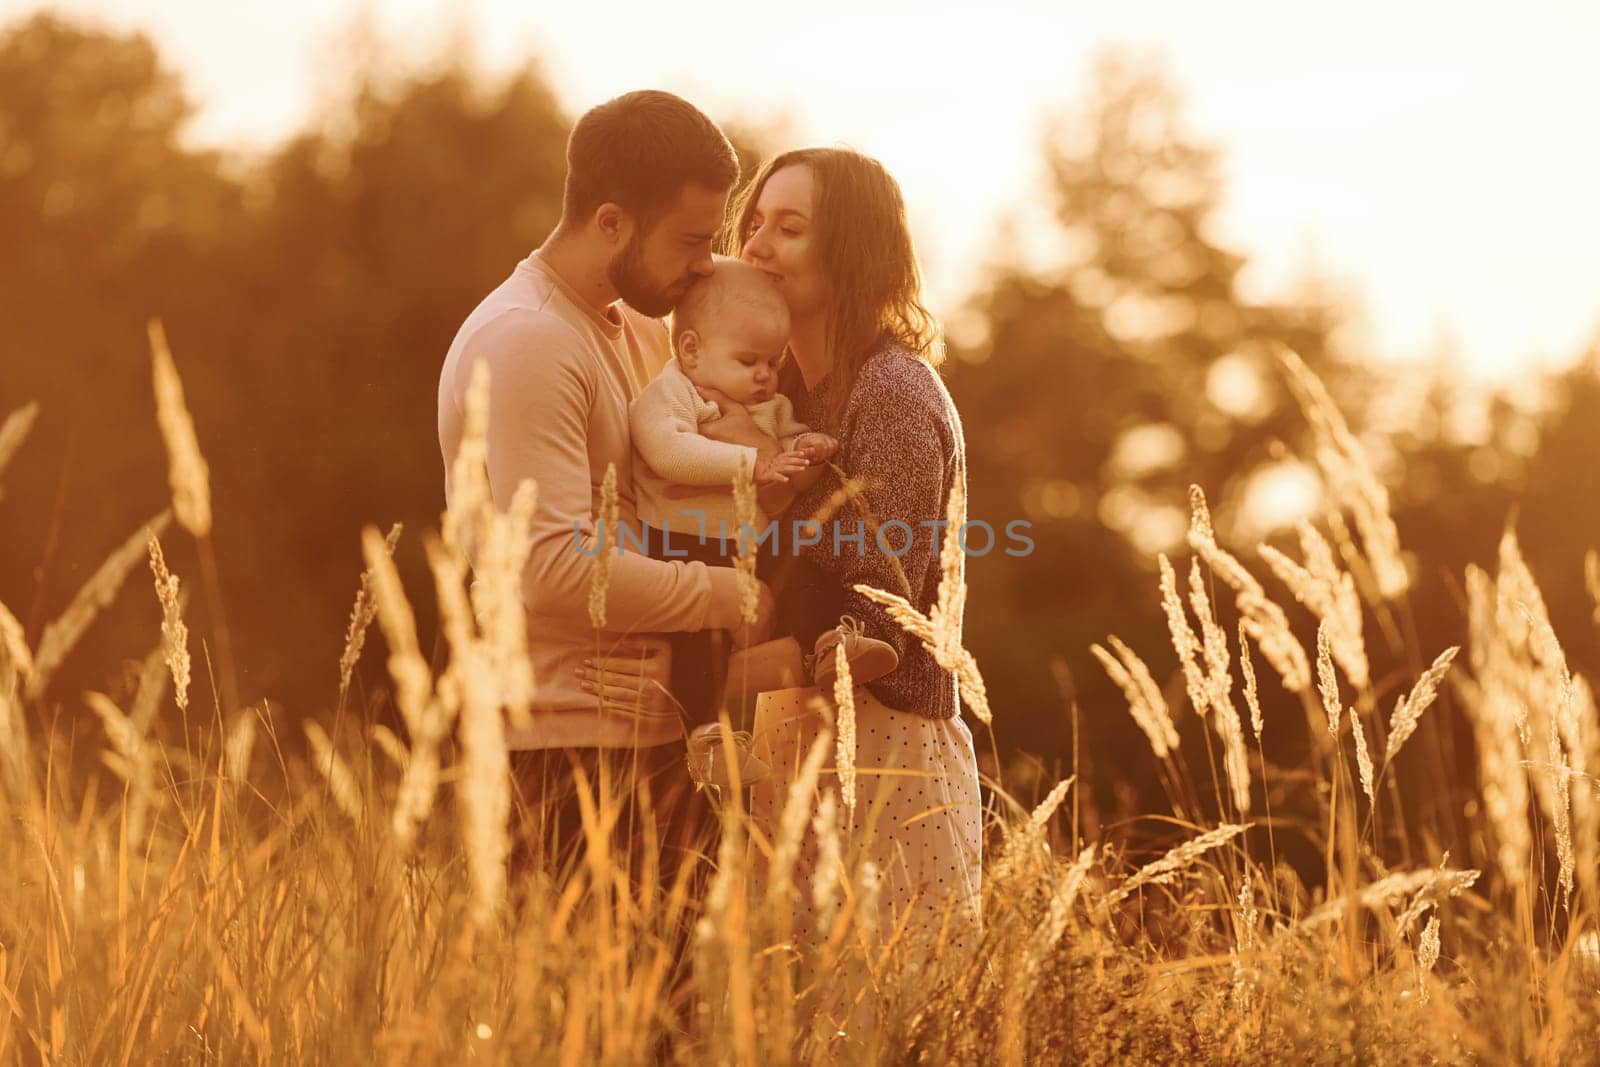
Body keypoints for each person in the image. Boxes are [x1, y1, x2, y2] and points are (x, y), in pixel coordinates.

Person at [435, 90, 796, 886]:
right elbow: (558, 566)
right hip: (566, 758)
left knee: (676, 1009)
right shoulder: (528, 340)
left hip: (654, 734)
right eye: (693, 240)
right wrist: (729, 596)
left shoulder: (635, 327)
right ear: (610, 221)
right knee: (596, 1012)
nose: (707, 263)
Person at [700, 147, 984, 979]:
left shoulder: (892, 388)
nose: (756, 245)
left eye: (789, 228)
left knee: (890, 1023)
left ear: (852, 252)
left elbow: (883, 596)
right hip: (797, 732)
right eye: (753, 223)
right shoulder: (783, 396)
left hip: (889, 754)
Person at [628, 257, 899, 788]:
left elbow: (789, 460)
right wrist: (756, 462)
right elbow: (667, 452)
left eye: (772, 363)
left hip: (747, 540)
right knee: (699, 635)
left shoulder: (767, 405)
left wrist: (806, 449)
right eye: (748, 359)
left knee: (807, 571)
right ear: (690, 349)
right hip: (683, 543)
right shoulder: (674, 394)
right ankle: (706, 739)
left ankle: (832, 643)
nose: (763, 375)